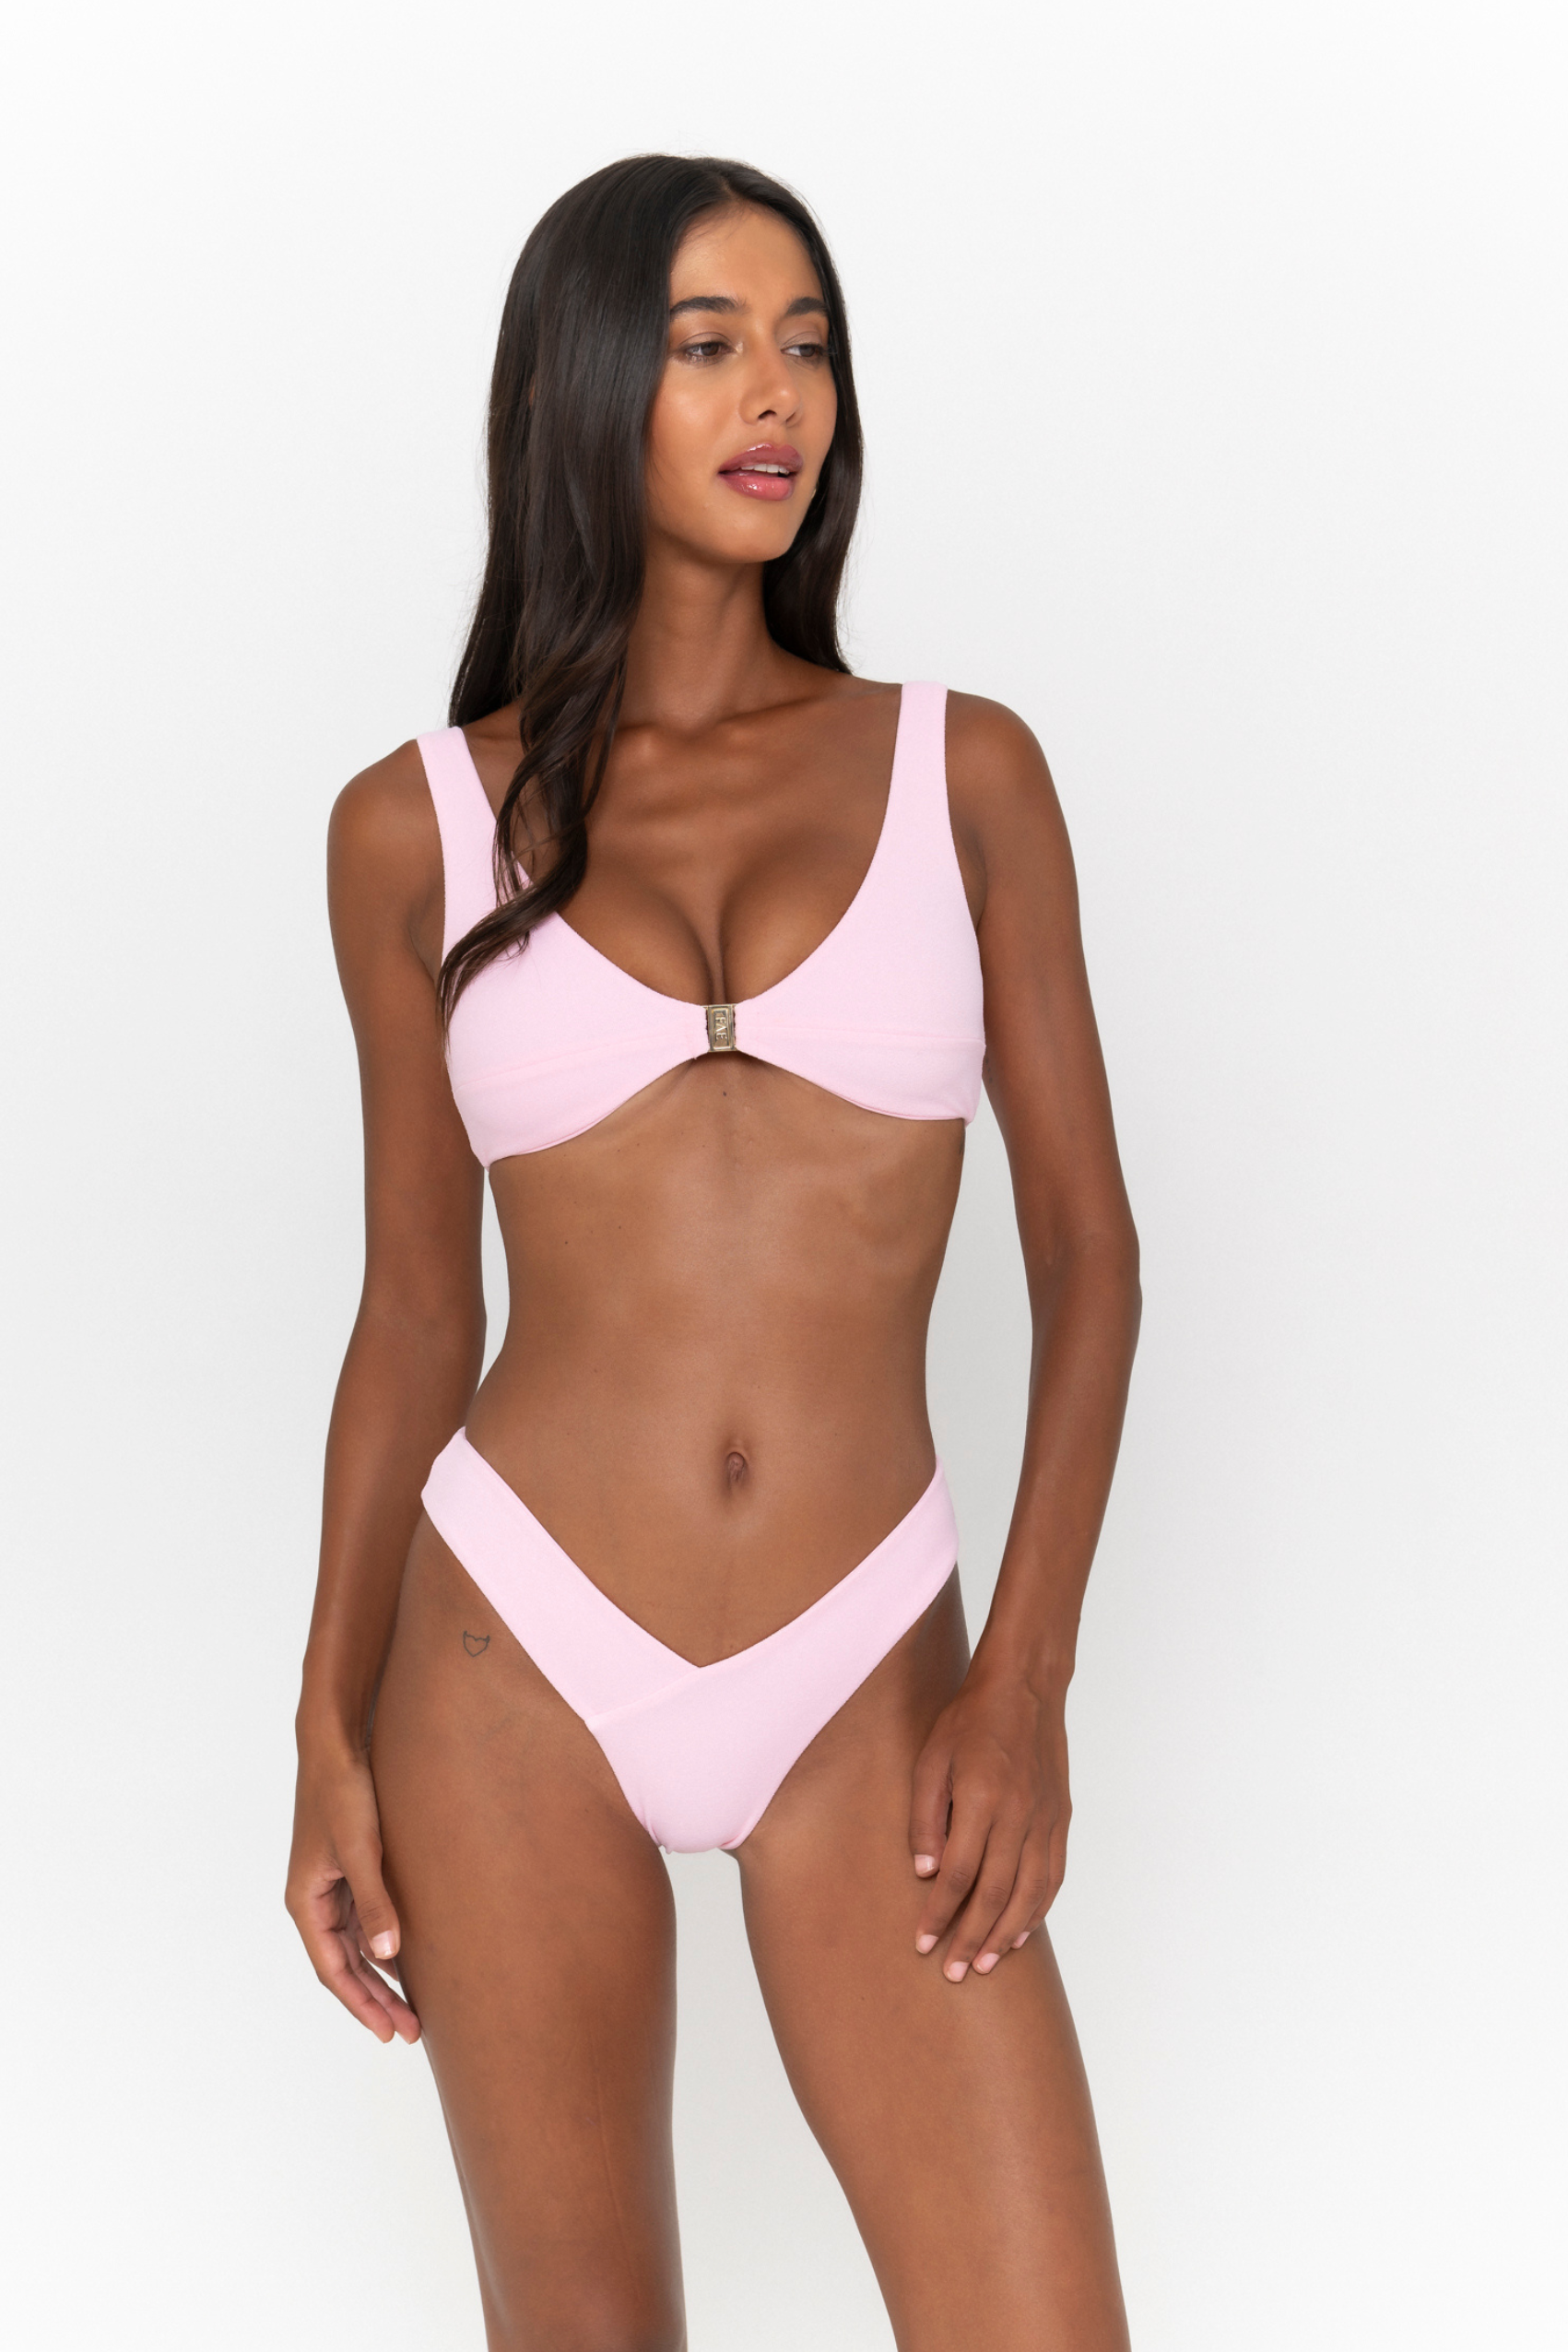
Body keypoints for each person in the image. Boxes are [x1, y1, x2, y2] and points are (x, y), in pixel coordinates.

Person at [286, 152, 1140, 2352]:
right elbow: (416, 1312)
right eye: (707, 345)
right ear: (584, 387)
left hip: (872, 1666)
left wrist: (1024, 1678)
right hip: (511, 1653)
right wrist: (322, 1726)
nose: (779, 394)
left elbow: (1089, 1256)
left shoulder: (963, 775)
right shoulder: (414, 827)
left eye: (809, 343)